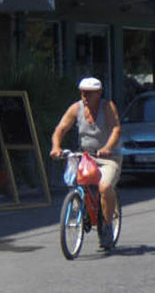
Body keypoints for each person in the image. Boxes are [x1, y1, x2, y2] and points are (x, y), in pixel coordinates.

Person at [50, 77, 122, 249]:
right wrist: (56, 147)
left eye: (89, 93)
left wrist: (107, 147)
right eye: (83, 93)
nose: (85, 97)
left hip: (108, 158)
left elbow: (116, 130)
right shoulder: (76, 108)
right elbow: (60, 129)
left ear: (99, 93)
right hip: (85, 156)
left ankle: (106, 226)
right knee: (74, 183)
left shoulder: (107, 107)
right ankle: (81, 207)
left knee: (104, 187)